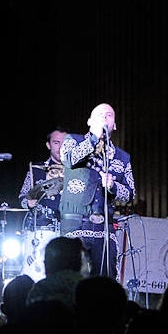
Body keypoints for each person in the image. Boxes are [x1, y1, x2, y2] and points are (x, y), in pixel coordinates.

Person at [58, 103, 135, 277]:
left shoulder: (122, 157)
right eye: (99, 114)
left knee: (105, 282)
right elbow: (69, 159)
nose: (104, 117)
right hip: (75, 222)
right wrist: (94, 139)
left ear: (114, 125)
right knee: (72, 277)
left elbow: (131, 194)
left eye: (109, 115)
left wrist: (113, 186)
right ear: (90, 121)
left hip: (105, 227)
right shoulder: (72, 140)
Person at [19, 126, 67, 229]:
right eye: (56, 143)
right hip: (43, 228)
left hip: (71, 228)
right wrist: (29, 202)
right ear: (48, 145)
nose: (61, 147)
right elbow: (22, 197)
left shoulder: (77, 171)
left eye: (64, 143)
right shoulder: (36, 170)